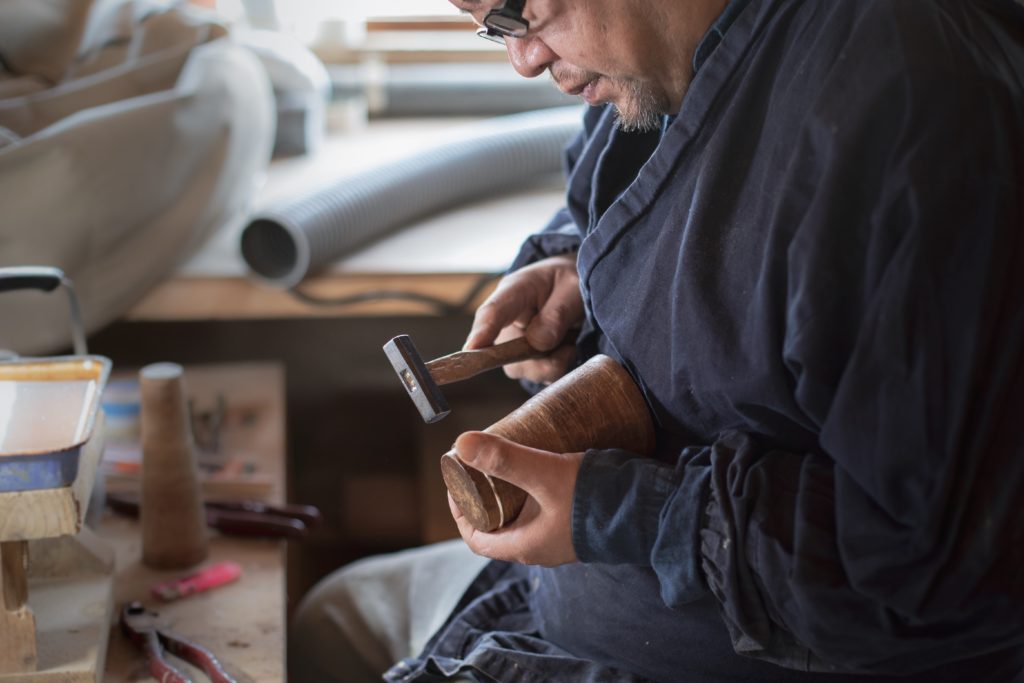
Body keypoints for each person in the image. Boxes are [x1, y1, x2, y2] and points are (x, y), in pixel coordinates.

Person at [291, 0, 1024, 680]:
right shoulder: (657, 51)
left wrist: (620, 511)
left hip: (731, 657)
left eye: (520, 11)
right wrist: (576, 267)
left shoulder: (915, 119)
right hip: (579, 598)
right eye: (491, 26)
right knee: (333, 615)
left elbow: (923, 565)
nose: (522, 60)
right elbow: (656, 202)